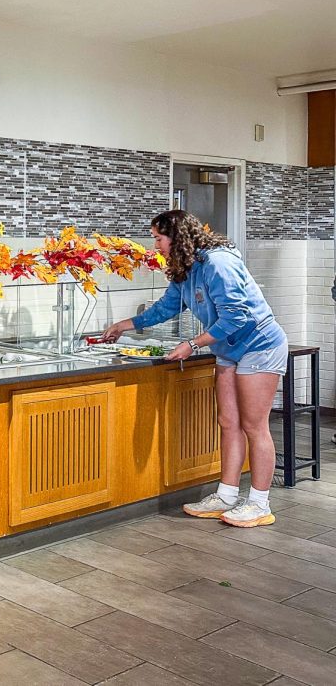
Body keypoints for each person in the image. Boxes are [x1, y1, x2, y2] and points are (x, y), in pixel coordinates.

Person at [101, 210, 287, 529]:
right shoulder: (186, 269)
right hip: (227, 348)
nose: (155, 244)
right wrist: (125, 325)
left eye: (159, 238)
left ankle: (259, 504)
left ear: (177, 237)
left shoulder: (218, 263)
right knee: (228, 421)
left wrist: (193, 344)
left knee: (254, 426)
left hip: (260, 345)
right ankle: (226, 496)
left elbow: (237, 317)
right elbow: (168, 307)